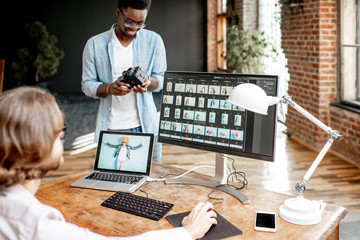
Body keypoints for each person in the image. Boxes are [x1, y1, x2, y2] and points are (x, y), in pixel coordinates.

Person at [0, 86, 217, 240]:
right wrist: (187, 232)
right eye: (60, 134)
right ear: (39, 147)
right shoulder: (34, 225)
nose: (62, 137)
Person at [81, 0, 165, 163]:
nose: (134, 28)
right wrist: (110, 88)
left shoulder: (154, 41)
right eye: (129, 21)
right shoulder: (94, 44)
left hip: (146, 127)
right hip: (111, 129)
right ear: (118, 13)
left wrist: (147, 82)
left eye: (140, 23)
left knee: (150, 182)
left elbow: (161, 80)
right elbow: (87, 84)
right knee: (111, 180)